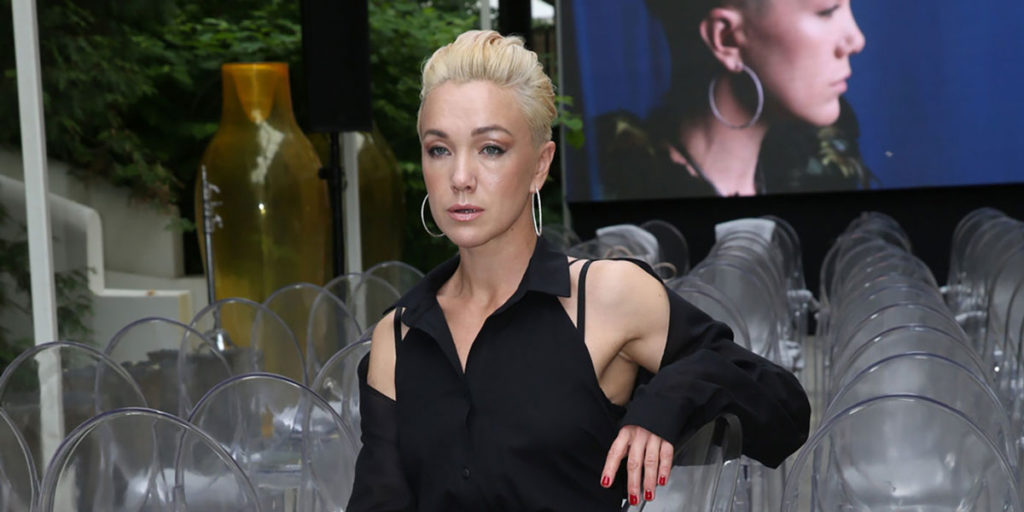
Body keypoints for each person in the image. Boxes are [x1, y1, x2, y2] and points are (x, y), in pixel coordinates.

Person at [348, 30, 810, 511]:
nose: (460, 178)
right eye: (439, 150)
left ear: (539, 165)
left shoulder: (605, 298)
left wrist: (669, 398)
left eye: (491, 149)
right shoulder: (399, 336)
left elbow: (785, 411)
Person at [595, 0, 872, 199]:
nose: (857, 40)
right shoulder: (627, 190)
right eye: (827, 11)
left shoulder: (816, 172)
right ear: (726, 39)